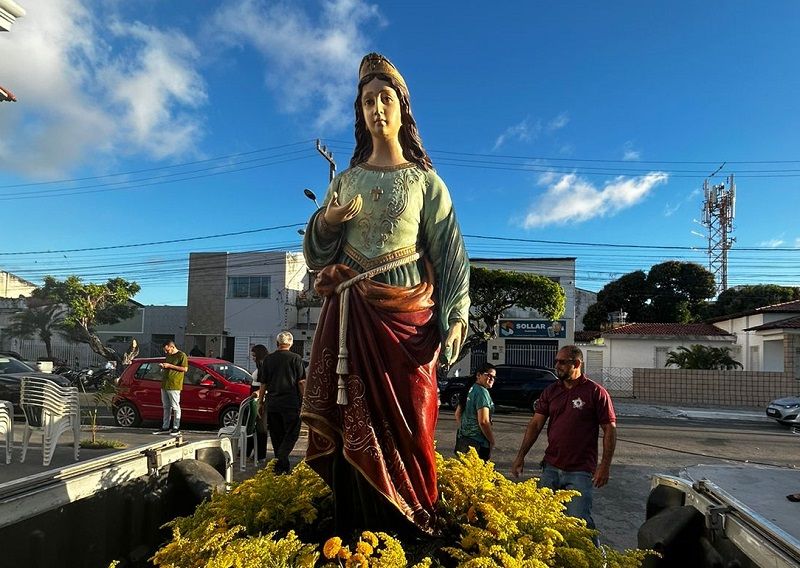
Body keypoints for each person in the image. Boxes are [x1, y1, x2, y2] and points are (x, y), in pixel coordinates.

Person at [301, 52, 470, 536]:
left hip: (408, 321)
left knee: (414, 425)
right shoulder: (347, 180)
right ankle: (356, 529)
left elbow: (451, 254)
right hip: (351, 319)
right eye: (368, 101)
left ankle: (412, 524)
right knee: (351, 417)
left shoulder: (426, 184)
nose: (377, 108)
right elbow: (316, 254)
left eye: (385, 98)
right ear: (361, 112)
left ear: (402, 109)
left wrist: (454, 317)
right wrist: (327, 221)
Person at [510, 345, 616, 544]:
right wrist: (520, 456)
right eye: (556, 361)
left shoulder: (595, 392)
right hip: (550, 468)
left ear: (576, 364)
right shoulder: (551, 391)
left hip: (580, 471)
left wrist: (605, 465)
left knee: (579, 523)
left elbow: (609, 429)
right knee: (542, 521)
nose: (556, 365)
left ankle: (594, 560)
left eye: (561, 362)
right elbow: (535, 424)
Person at [258, 332, 305, 474]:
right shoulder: (296, 359)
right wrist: (305, 400)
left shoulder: (268, 359)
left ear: (277, 343)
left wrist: (261, 402)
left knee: (277, 435)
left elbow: (263, 383)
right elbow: (301, 382)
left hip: (273, 403)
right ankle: (282, 459)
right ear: (290, 343)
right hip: (291, 402)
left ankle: (281, 467)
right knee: (292, 433)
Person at [454, 363, 497, 460]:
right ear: (478, 375)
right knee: (478, 473)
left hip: (463, 440)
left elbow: (457, 414)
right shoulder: (482, 393)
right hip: (478, 443)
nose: (491, 379)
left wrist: (467, 430)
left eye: (494, 377)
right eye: (488, 375)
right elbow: (483, 422)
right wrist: (492, 441)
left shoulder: (470, 388)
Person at [155, 341, 188, 435]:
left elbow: (185, 369)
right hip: (165, 383)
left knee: (175, 406)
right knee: (166, 406)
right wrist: (164, 367)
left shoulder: (181, 355)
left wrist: (170, 366)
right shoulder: (168, 356)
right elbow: (168, 366)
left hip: (174, 384)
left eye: (167, 350)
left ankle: (176, 428)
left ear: (172, 347)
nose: (166, 352)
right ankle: (165, 426)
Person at [250, 344, 269, 461]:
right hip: (256, 395)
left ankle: (260, 454)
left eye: (253, 355)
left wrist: (259, 396)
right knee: (257, 426)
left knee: (260, 426)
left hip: (258, 397)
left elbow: (264, 383)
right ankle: (256, 452)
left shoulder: (263, 365)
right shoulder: (261, 364)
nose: (252, 357)